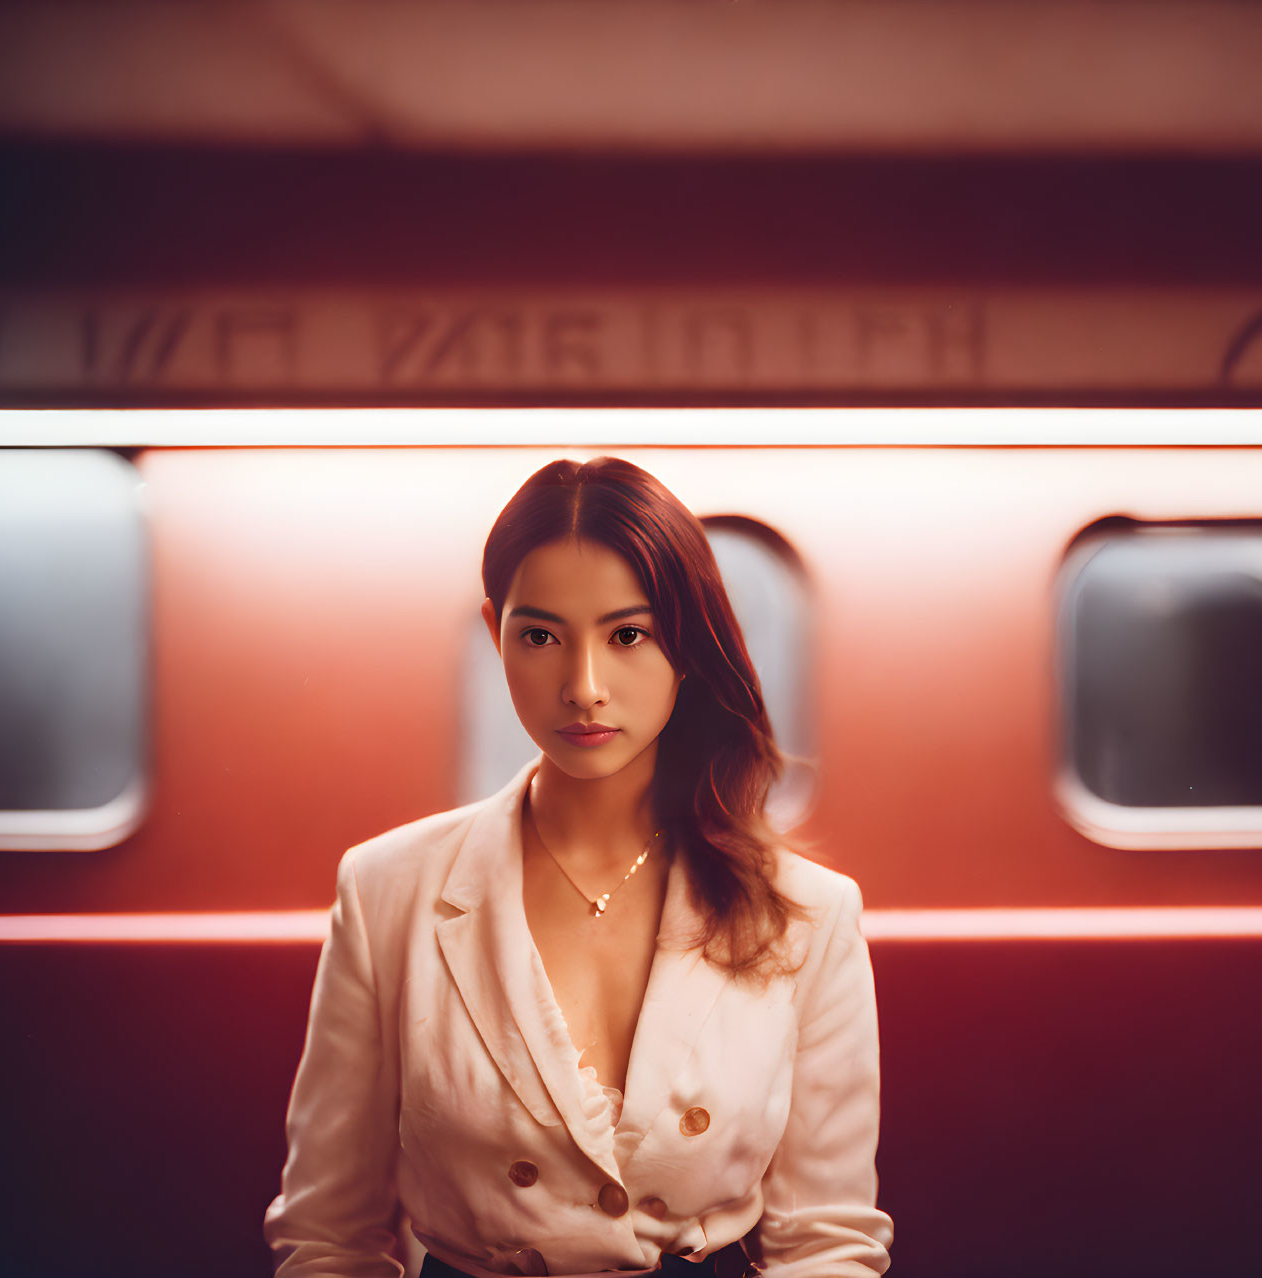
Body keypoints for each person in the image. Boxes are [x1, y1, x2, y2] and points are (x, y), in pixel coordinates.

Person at [264, 457, 892, 1278]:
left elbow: (827, 1241)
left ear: (687, 645)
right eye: (540, 636)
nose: (583, 687)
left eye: (627, 635)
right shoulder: (388, 889)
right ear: (495, 633)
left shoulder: (806, 911)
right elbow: (327, 1234)